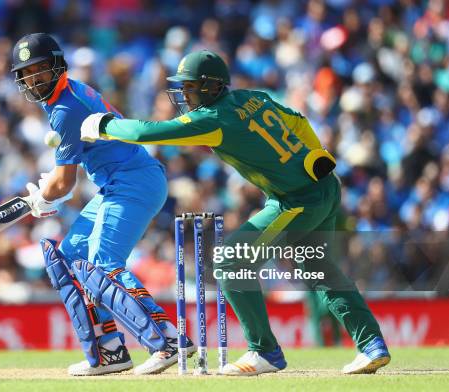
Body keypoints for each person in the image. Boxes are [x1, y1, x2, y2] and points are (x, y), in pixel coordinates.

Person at [80, 50, 391, 376]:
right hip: (325, 185)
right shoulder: (252, 97)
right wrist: (316, 151)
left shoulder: (212, 120)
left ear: (210, 87)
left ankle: (265, 351)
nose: (184, 95)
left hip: (297, 200)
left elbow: (145, 133)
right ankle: (371, 345)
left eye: (190, 87)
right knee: (316, 266)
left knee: (230, 260)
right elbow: (298, 120)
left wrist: (104, 124)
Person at [11, 33, 193, 376]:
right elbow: (67, 175)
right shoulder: (68, 93)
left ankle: (168, 340)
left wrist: (44, 197)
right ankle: (108, 350)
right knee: (69, 258)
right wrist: (49, 190)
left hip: (133, 181)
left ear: (56, 66)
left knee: (102, 264)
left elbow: (65, 183)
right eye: (27, 73)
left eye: (39, 69)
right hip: (117, 182)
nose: (34, 79)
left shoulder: (65, 108)